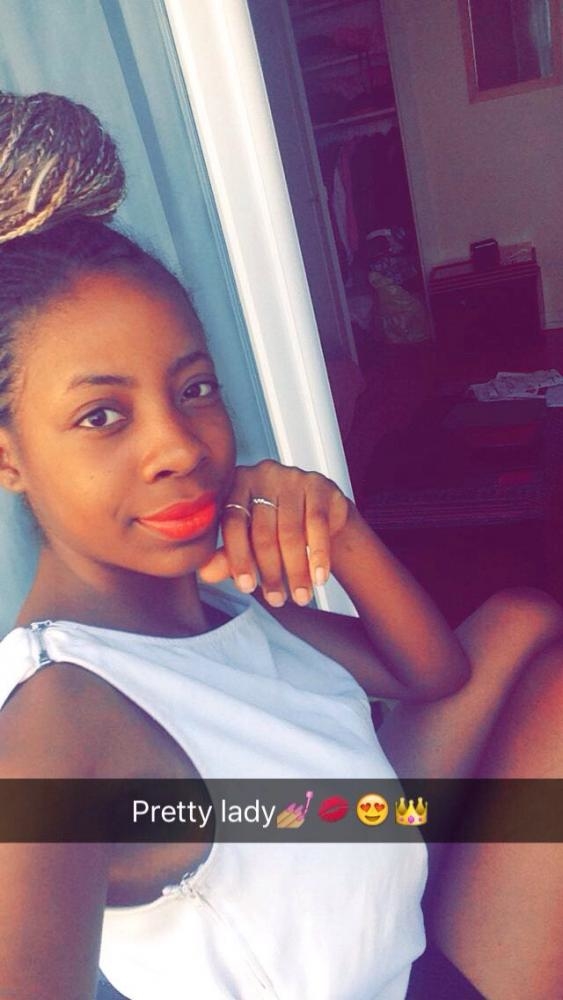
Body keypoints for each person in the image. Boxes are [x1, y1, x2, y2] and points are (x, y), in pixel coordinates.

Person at [0, 91, 561, 1000]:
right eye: (102, 416)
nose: (179, 447)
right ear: (8, 456)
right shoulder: (59, 730)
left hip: (344, 860)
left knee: (521, 622)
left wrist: (339, 525)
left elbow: (433, 676)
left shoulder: (210, 604)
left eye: (194, 389)